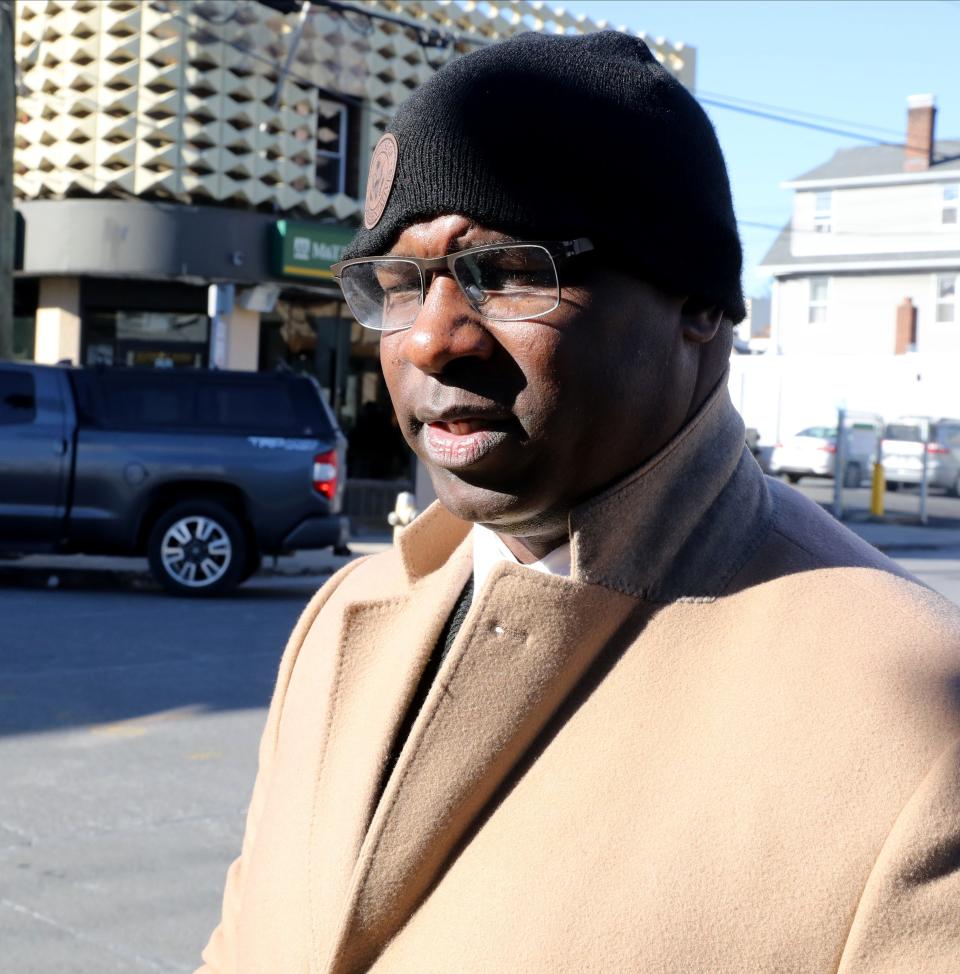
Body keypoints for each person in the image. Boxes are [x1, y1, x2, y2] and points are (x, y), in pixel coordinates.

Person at [199, 31, 960, 974]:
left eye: (510, 270)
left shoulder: (918, 725)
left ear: (698, 303)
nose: (433, 337)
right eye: (397, 280)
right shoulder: (345, 624)